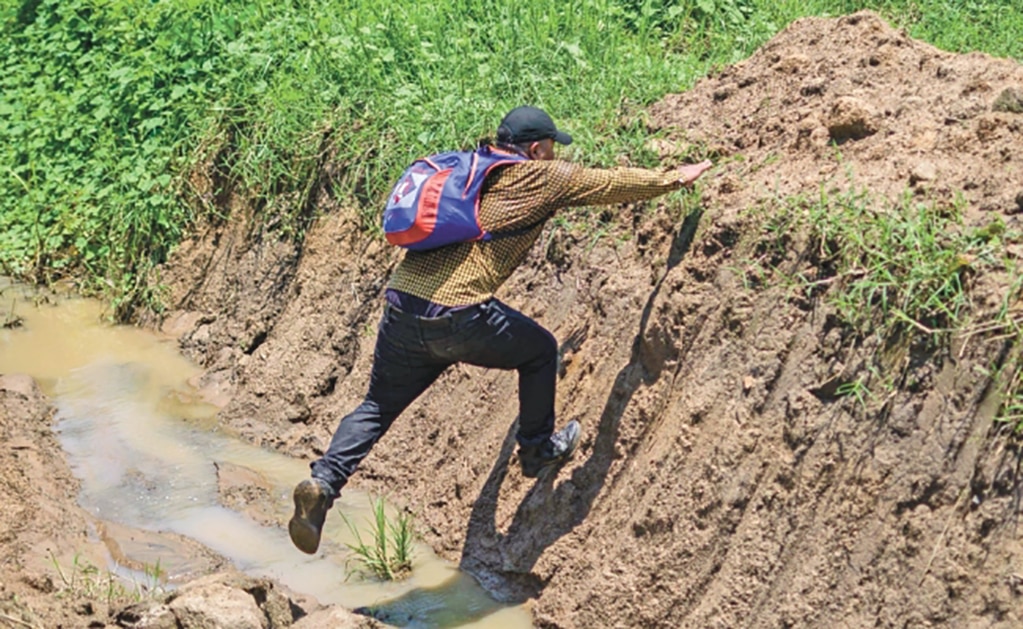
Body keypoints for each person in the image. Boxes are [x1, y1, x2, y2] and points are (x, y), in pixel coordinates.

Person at [288, 105, 713, 554]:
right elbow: (606, 184)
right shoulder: (538, 176)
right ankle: (537, 450)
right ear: (536, 148)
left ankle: (322, 484)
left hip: (402, 308)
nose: (554, 154)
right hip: (458, 314)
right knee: (538, 351)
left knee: (376, 406)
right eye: (551, 147)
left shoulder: (472, 172)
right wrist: (674, 178)